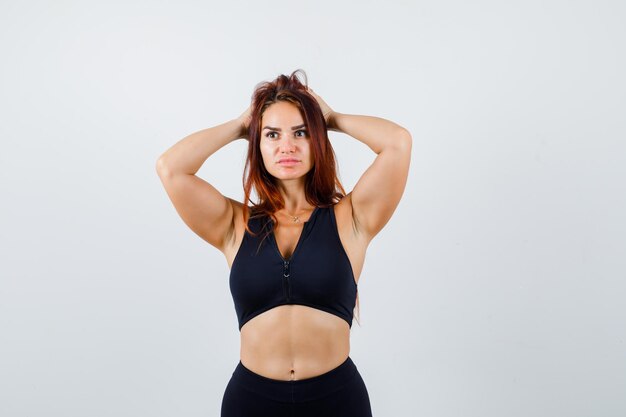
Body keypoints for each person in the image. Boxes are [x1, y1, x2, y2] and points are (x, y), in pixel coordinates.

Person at [155, 69, 411, 417]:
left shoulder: (351, 219)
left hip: (336, 399)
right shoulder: (234, 225)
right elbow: (171, 168)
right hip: (252, 400)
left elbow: (397, 142)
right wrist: (240, 125)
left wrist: (331, 118)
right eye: (272, 135)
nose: (286, 146)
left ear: (316, 140)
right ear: (257, 144)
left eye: (301, 132)